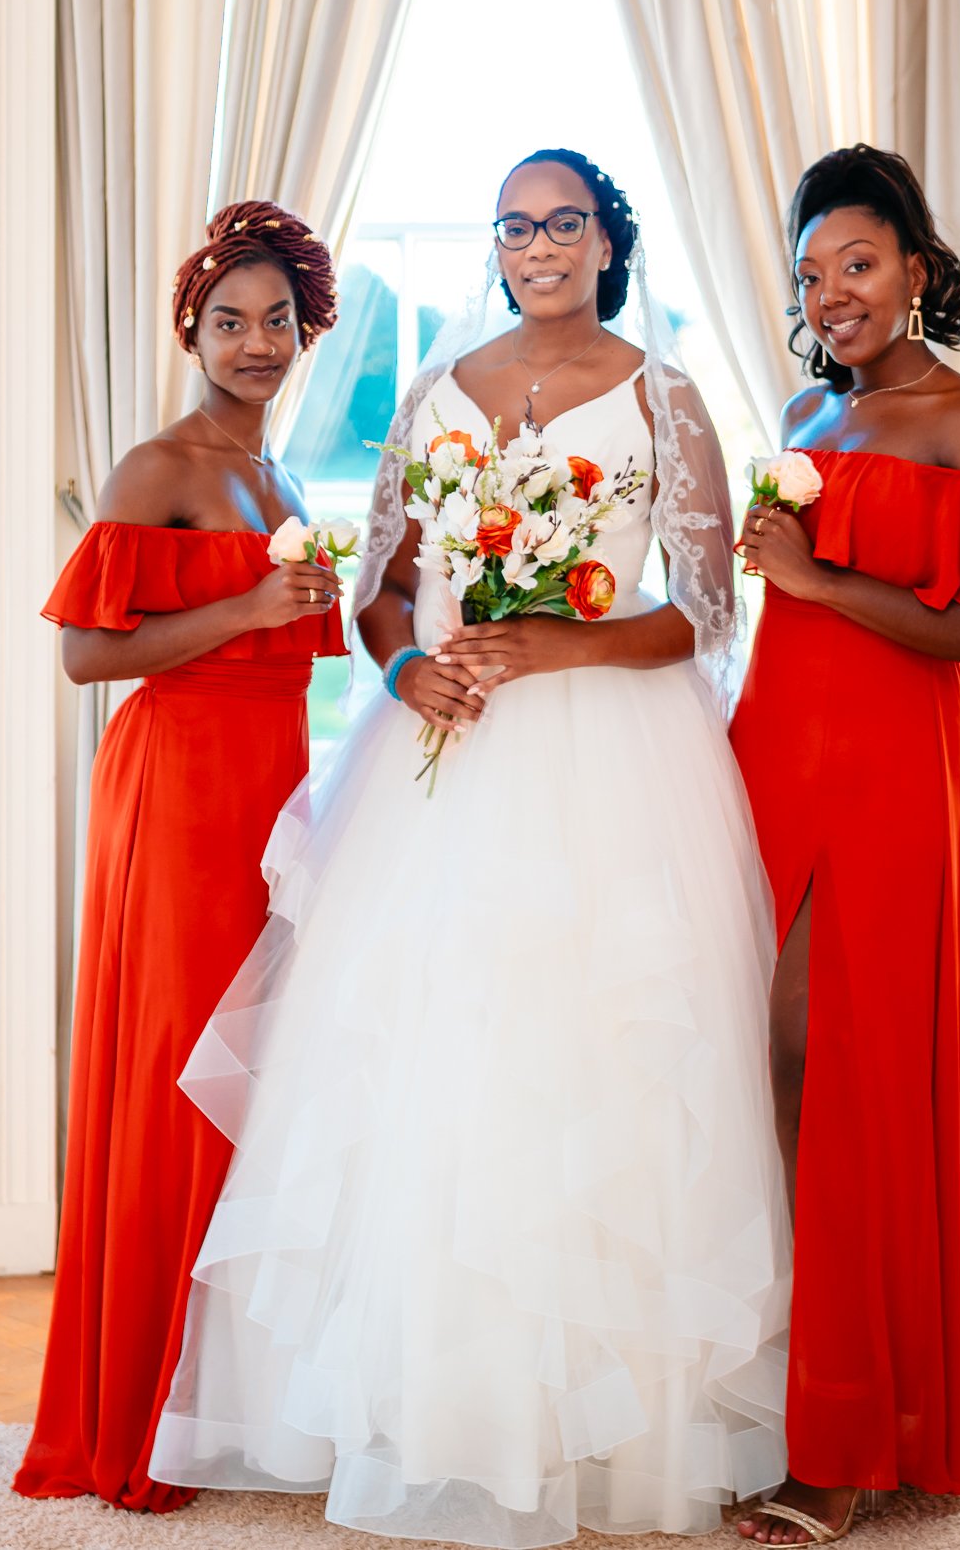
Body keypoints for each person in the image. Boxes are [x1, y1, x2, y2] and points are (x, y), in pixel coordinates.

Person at [149, 149, 793, 1545]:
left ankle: (603, 1427)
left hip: (613, 762)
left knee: (597, 1062)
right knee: (428, 1064)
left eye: (563, 223)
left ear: (607, 241)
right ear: (495, 248)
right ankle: (431, 1404)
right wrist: (403, 670)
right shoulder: (436, 390)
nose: (537, 246)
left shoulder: (665, 395)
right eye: (514, 226)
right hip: (439, 758)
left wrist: (563, 644)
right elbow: (383, 590)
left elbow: (704, 612)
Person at [728, 145, 960, 1547]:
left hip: (886, 771)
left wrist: (817, 575)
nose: (833, 294)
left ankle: (852, 1444)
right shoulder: (807, 408)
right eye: (812, 273)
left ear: (917, 268)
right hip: (774, 747)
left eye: (858, 264)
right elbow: (781, 594)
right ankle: (830, 1385)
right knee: (774, 1068)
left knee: (849, 1069)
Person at [13, 200, 346, 1513]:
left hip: (268, 787)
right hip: (176, 794)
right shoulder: (159, 466)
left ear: (306, 330)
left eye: (277, 320)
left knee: (242, 1076)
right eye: (229, 321)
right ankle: (134, 1410)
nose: (255, 342)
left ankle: (218, 1404)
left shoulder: (286, 481)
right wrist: (250, 603)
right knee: (174, 1075)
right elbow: (84, 656)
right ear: (191, 333)